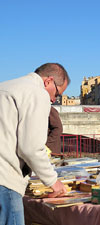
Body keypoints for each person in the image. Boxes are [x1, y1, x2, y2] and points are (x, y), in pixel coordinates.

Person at [0, 63, 70, 225]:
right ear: (48, 81)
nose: (53, 100)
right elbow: (31, 148)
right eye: (57, 94)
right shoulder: (37, 93)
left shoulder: (6, 87)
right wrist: (53, 181)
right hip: (5, 179)